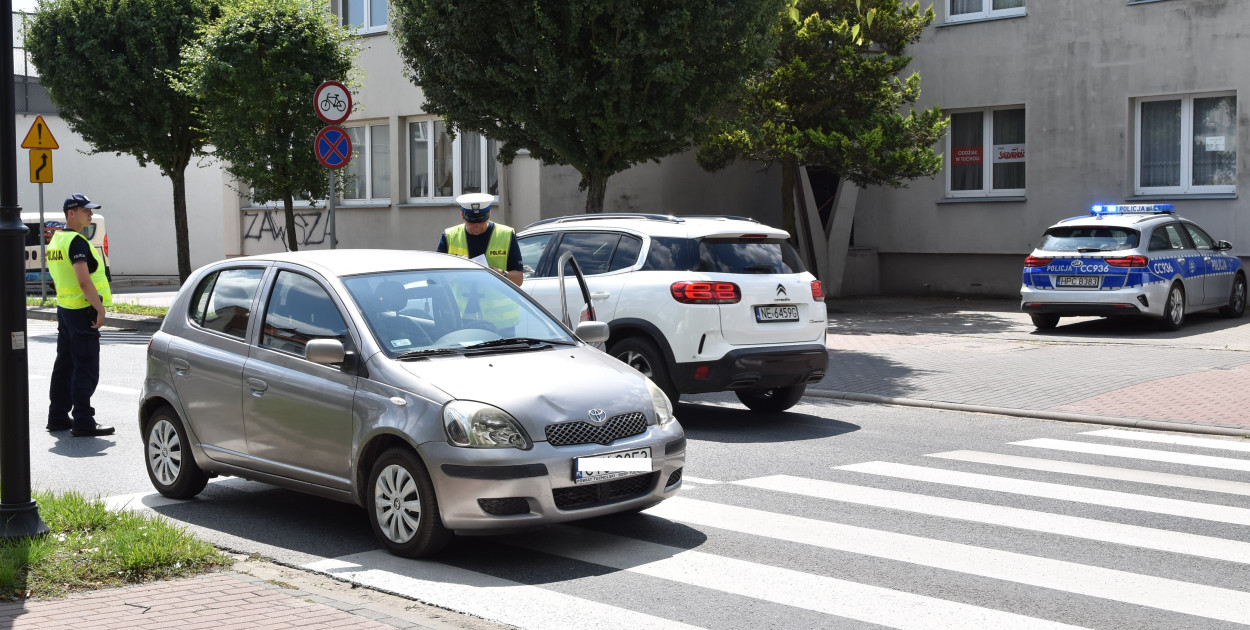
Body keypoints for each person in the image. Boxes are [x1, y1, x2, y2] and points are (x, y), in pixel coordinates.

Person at [46, 193, 115, 437]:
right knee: (85, 367)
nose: (90, 214)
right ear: (71, 213)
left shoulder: (55, 241)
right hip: (81, 312)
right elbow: (84, 281)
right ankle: (83, 420)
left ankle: (57, 416)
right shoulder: (76, 242)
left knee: (64, 365)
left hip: (65, 311)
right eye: (85, 210)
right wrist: (99, 308)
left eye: (91, 210)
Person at [436, 193, 524, 286]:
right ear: (462, 214)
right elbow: (435, 278)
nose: (476, 226)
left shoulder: (506, 235)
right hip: (458, 300)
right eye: (471, 221)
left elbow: (519, 280)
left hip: (495, 300)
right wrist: (455, 270)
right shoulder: (449, 236)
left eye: (481, 220)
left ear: (489, 213)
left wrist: (501, 273)